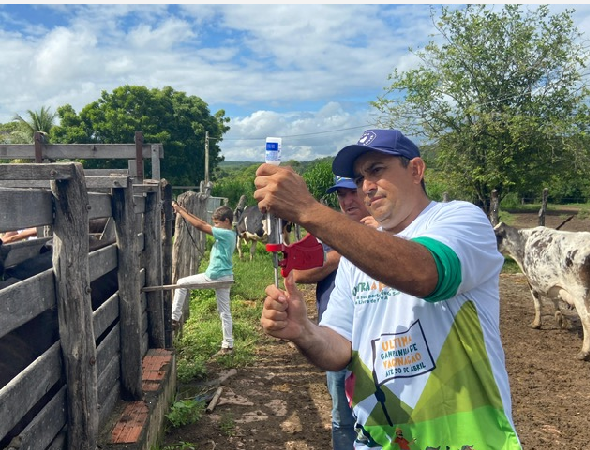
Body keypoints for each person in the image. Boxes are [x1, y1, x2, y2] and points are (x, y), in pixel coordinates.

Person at [254, 129, 521, 449]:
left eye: (376, 170)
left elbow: (425, 273)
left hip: (467, 440)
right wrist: (303, 331)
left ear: (416, 170)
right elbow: (340, 349)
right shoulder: (355, 256)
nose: (365, 185)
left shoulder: (459, 219)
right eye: (358, 178)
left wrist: (307, 210)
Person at [293, 175, 377, 449]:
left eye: (352, 192)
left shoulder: (389, 230)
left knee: (387, 415)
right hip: (337, 336)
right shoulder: (328, 234)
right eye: (341, 195)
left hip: (381, 340)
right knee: (342, 416)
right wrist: (341, 253)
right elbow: (299, 273)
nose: (347, 201)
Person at [171, 203, 236, 356]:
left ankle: (174, 318)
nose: (215, 226)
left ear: (227, 221)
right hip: (226, 275)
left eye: (217, 223)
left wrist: (180, 211)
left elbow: (201, 226)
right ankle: (228, 346)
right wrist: (184, 211)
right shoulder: (230, 234)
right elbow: (204, 223)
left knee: (181, 284)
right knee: (225, 312)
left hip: (215, 275)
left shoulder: (225, 234)